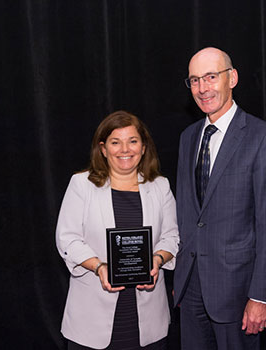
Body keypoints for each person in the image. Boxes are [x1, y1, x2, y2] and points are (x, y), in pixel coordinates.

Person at [173, 47, 266, 349]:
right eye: (195, 80)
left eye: (211, 77)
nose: (202, 88)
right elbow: (188, 214)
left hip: (238, 293)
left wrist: (261, 296)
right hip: (191, 288)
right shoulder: (189, 137)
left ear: (232, 78)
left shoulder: (263, 138)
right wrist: (181, 281)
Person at [56, 110, 179, 349]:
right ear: (103, 148)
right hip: (91, 319)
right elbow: (67, 238)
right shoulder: (82, 185)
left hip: (148, 317)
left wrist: (157, 259)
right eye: (115, 142)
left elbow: (172, 236)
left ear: (143, 147)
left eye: (133, 141)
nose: (125, 149)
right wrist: (99, 267)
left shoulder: (160, 186)